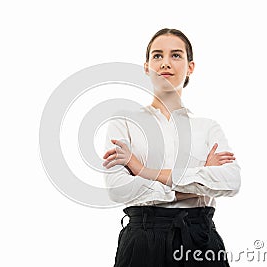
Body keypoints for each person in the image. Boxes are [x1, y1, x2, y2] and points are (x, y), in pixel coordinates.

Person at [102, 28, 241, 267]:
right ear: (146, 67)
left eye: (176, 55)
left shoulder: (208, 128)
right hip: (142, 241)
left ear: (190, 67)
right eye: (157, 56)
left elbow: (231, 181)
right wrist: (197, 187)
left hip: (200, 241)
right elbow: (118, 190)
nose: (166, 63)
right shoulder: (124, 122)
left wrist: (143, 170)